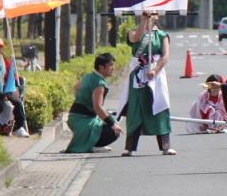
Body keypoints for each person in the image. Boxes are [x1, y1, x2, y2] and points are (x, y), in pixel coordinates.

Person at [119, 11, 174, 156]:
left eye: (152, 13)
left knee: (159, 106)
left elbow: (166, 56)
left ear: (157, 17)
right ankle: (130, 147)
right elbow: (136, 38)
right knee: (135, 110)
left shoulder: (162, 35)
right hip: (138, 75)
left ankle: (165, 146)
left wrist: (155, 70)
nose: (150, 16)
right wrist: (144, 20)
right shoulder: (133, 32)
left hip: (156, 76)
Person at [66, 53, 122, 153]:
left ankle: (91, 144)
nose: (113, 68)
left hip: (73, 118)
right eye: (110, 65)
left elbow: (76, 88)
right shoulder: (99, 83)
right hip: (82, 121)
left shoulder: (88, 76)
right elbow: (98, 107)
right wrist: (113, 124)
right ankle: (91, 146)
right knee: (114, 131)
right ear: (101, 67)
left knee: (111, 122)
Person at [0, 37, 29, 137]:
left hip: (4, 90)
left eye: (0, 47)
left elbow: (11, 77)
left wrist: (15, 80)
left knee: (17, 102)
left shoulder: (5, 61)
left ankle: (19, 127)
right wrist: (1, 94)